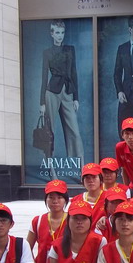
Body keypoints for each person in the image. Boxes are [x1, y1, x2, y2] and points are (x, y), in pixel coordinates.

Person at [40, 19, 83, 160]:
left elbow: (74, 73)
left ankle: (79, 165)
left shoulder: (70, 49)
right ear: (52, 34)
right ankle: (50, 165)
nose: (60, 36)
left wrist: (76, 98)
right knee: (49, 130)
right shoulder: (47, 52)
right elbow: (44, 78)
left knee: (74, 131)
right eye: (57, 33)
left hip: (68, 92)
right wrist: (42, 103)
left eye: (62, 33)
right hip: (51, 92)